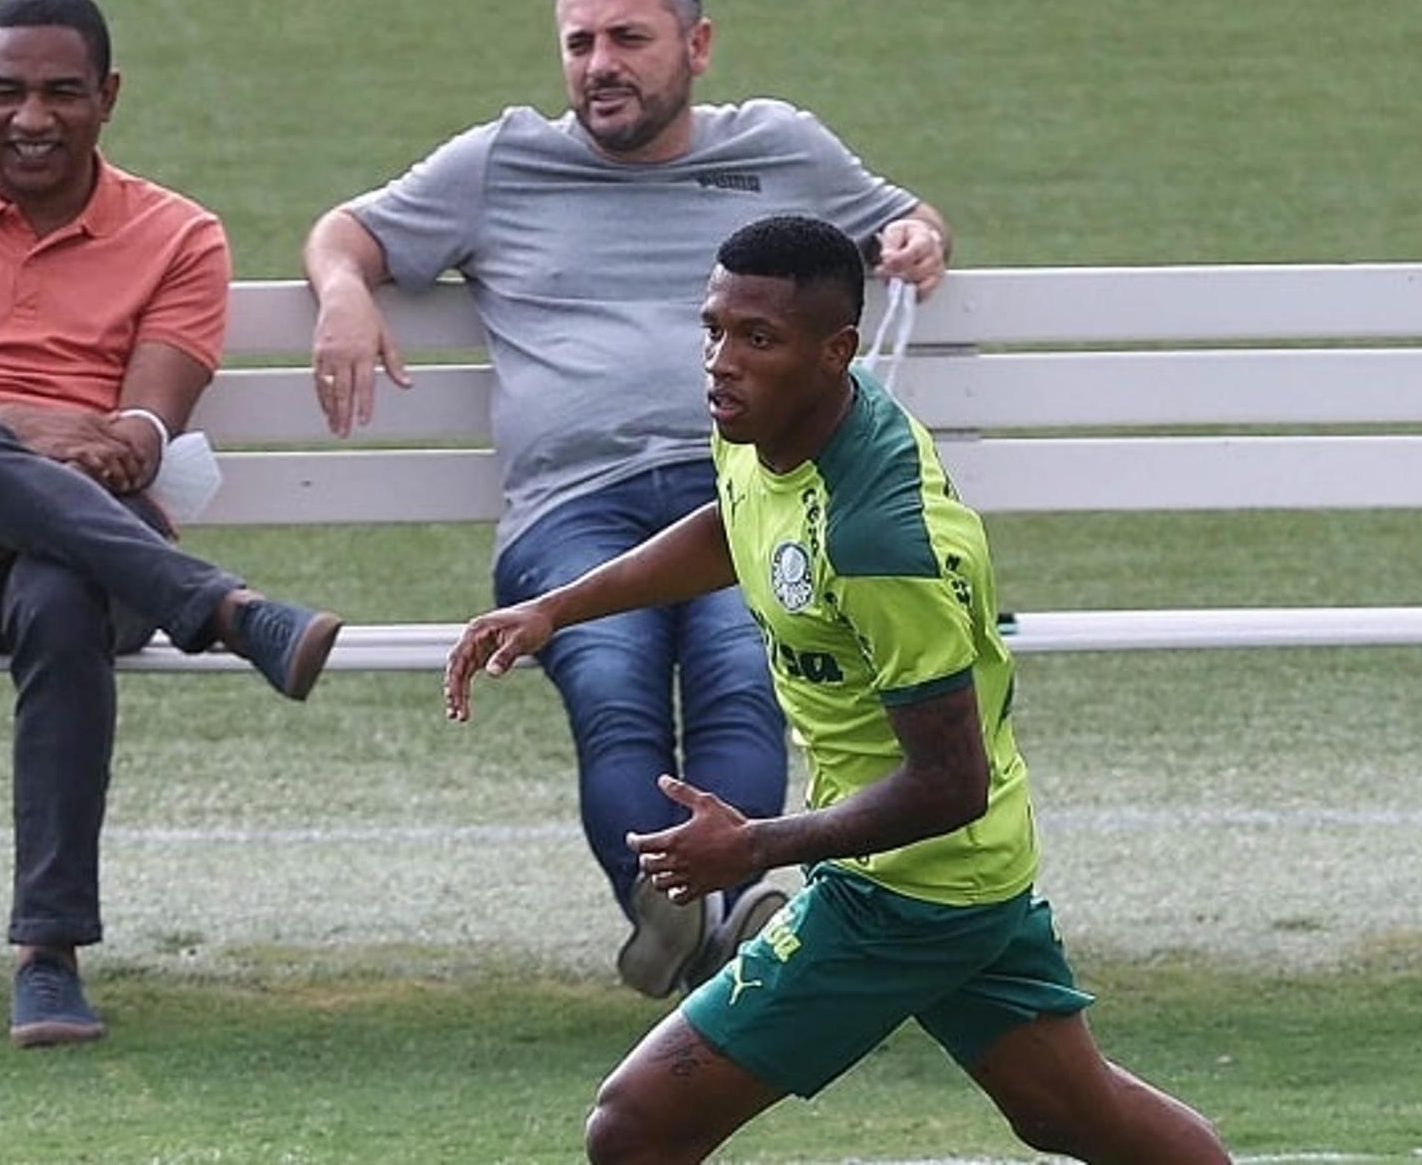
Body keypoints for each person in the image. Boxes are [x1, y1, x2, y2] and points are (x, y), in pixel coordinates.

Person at [444, 217, 1231, 1161]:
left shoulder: (880, 542)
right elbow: (735, 523)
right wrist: (559, 608)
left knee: (635, 1125)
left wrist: (752, 847)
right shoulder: (768, 423)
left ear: (837, 352)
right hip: (962, 867)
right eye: (714, 328)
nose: (720, 362)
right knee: (1070, 1113)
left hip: (907, 890)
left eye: (757, 339)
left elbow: (950, 783)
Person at [303, 0, 951, 997]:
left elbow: (903, 217)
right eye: (579, 43)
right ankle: (721, 918)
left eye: (628, 39)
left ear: (695, 47)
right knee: (613, 685)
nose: (600, 63)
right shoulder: (500, 162)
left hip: (749, 493)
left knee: (745, 674)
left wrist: (920, 236)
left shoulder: (779, 146)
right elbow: (347, 231)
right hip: (574, 511)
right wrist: (342, 288)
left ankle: (707, 916)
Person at [0, 0, 344, 1048]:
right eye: (6, 92)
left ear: (107, 96)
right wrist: (17, 442)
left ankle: (46, 956)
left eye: (61, 92)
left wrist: (25, 496)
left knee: (54, 588)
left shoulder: (177, 236)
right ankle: (228, 612)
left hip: (91, 566)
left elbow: (144, 433)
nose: (32, 117)